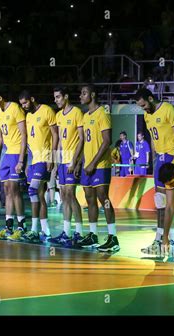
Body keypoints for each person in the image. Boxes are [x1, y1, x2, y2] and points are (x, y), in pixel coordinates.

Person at [134, 88, 174, 256]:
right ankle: (158, 241)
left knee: (169, 204)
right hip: (160, 160)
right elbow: (154, 140)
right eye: (141, 107)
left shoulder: (168, 109)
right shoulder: (147, 115)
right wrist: (155, 160)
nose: (144, 109)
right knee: (160, 202)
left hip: (171, 158)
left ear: (151, 98)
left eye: (144, 105)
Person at [76, 84, 120, 252]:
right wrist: (81, 162)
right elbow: (84, 142)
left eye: (84, 93)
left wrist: (93, 163)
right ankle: (93, 235)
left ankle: (113, 237)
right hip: (88, 165)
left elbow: (107, 141)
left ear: (92, 95)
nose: (81, 96)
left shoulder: (103, 113)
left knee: (104, 198)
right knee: (89, 199)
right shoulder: (85, 116)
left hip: (100, 165)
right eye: (81, 93)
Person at [0, 88, 28, 240]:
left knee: (14, 189)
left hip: (17, 152)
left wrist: (22, 160)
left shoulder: (15, 108)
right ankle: (8, 227)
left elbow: (24, 135)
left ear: (0, 98)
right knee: (6, 189)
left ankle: (21, 227)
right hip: (7, 153)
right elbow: (0, 138)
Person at [18, 90, 59, 243]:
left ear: (32, 98)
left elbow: (55, 134)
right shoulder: (28, 116)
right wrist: (28, 162)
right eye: (22, 104)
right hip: (34, 160)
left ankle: (37, 230)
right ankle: (43, 230)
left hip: (44, 158)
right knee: (38, 195)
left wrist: (52, 157)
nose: (24, 106)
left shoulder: (47, 110)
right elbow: (29, 141)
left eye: (25, 103)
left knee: (32, 190)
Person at [49, 86, 85, 247]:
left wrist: (76, 161)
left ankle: (79, 233)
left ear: (66, 96)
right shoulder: (58, 116)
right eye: (55, 97)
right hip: (62, 161)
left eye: (58, 97)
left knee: (71, 194)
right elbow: (59, 141)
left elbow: (82, 139)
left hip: (71, 159)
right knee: (64, 196)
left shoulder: (77, 112)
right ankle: (66, 232)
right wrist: (56, 162)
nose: (56, 100)